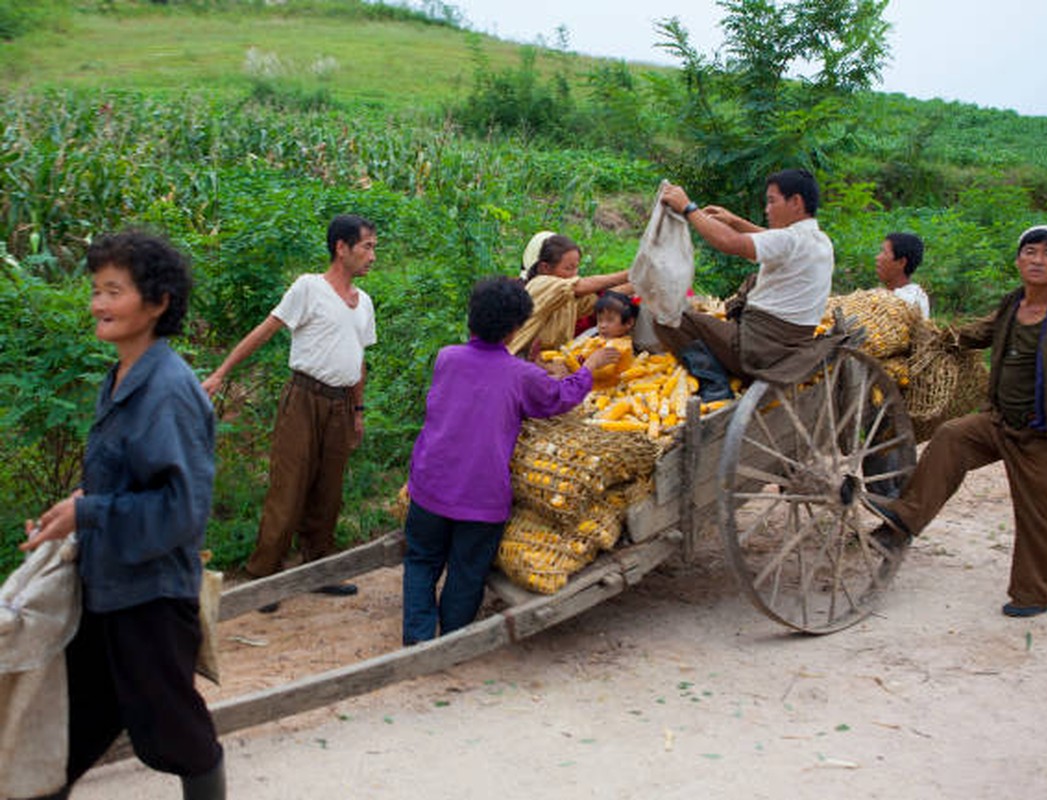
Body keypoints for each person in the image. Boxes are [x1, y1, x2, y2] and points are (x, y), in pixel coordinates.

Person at [20, 230, 225, 799]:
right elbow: (118, 483)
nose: (98, 304)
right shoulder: (120, 380)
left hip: (152, 600)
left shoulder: (171, 391)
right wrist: (74, 513)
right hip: (109, 588)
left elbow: (181, 510)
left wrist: (92, 514)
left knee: (178, 732)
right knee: (75, 721)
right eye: (96, 290)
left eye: (113, 291)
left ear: (156, 303)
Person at [877, 225, 1047, 618]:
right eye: (1030, 252)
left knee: (1044, 516)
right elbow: (981, 332)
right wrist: (940, 337)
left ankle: (1032, 595)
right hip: (998, 423)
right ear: (1018, 260)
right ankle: (906, 517)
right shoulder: (1013, 305)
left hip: (1043, 432)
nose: (1038, 260)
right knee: (952, 437)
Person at [402, 277, 619, 645]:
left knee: (422, 561)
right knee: (467, 570)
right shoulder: (521, 375)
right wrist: (589, 368)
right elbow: (559, 398)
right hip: (481, 495)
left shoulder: (447, 358)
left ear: (471, 319)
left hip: (429, 482)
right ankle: (451, 642)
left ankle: (418, 640)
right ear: (517, 327)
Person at [201, 214, 377, 609]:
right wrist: (221, 373)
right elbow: (266, 331)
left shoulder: (363, 302)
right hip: (303, 399)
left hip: (341, 404)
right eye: (366, 246)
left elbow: (358, 359)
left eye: (374, 247)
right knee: (289, 485)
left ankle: (318, 569)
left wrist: (358, 410)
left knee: (329, 491)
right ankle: (263, 578)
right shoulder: (309, 288)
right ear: (341, 248)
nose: (372, 255)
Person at [653, 169, 835, 393]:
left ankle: (714, 385)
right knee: (751, 282)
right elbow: (769, 239)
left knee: (665, 318)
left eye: (771, 201)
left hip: (757, 349)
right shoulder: (818, 240)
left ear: (796, 202)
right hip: (791, 347)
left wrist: (689, 208)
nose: (767, 210)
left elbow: (730, 243)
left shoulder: (789, 239)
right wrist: (734, 221)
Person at [508, 231, 632, 357]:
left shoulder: (566, 296)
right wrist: (632, 273)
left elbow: (605, 297)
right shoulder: (539, 284)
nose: (574, 274)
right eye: (568, 268)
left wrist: (640, 283)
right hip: (518, 361)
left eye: (576, 268)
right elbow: (580, 286)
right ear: (545, 268)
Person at [876, 231, 930, 318]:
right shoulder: (887, 294)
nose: (878, 257)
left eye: (884, 253)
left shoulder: (908, 301)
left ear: (901, 262)